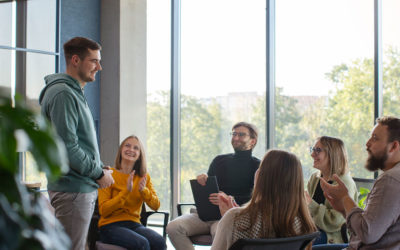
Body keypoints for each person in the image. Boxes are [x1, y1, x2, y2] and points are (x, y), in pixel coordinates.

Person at [39, 37, 114, 250]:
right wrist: (98, 174)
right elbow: (68, 147)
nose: (99, 67)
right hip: (73, 191)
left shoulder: (72, 92)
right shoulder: (63, 94)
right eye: (94, 61)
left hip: (78, 188)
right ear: (75, 60)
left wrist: (98, 167)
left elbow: (75, 142)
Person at [166, 122, 260, 250]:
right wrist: (203, 180)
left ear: (252, 141)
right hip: (204, 215)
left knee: (221, 235)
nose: (236, 137)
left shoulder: (258, 166)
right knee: (173, 227)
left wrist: (229, 198)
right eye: (234, 134)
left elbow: (256, 197)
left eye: (241, 135)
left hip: (228, 216)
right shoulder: (219, 160)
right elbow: (209, 188)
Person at [317, 116, 400, 250]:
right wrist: (345, 209)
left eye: (375, 138)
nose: (367, 143)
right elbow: (372, 225)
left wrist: (345, 198)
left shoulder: (390, 180)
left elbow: (367, 233)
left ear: (394, 146)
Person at [211, 149, 317, 250]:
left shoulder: (234, 218)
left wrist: (230, 217)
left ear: (263, 177)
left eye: (261, 167)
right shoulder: (303, 223)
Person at [97, 135, 166, 250]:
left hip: (134, 224)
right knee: (142, 244)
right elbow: (103, 211)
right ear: (121, 150)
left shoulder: (143, 177)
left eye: (136, 148)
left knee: (159, 242)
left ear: (139, 155)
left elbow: (156, 206)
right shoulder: (108, 174)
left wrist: (143, 190)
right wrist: (126, 191)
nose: (131, 150)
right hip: (110, 226)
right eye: (127, 146)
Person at [305, 136, 357, 244]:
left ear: (333, 155)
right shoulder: (315, 178)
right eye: (313, 149)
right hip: (313, 230)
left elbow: (335, 222)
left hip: (331, 237)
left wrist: (311, 204)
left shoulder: (345, 183)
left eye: (318, 150)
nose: (312, 154)